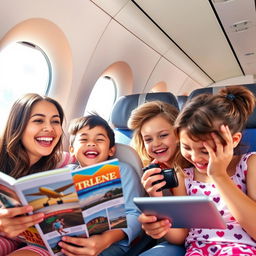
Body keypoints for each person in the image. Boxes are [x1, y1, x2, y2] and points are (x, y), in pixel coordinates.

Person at [138, 86, 256, 255]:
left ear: (234, 140)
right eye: (186, 147)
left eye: (204, 150)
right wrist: (158, 214)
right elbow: (181, 235)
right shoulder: (184, 175)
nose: (195, 158)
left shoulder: (250, 164)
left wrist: (219, 176)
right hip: (198, 250)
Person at [57, 114, 144, 256]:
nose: (91, 143)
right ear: (72, 149)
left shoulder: (123, 170)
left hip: (110, 244)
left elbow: (134, 214)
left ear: (111, 150)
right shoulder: (65, 172)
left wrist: (105, 240)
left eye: (99, 139)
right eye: (84, 139)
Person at [0, 93, 75, 256]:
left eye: (55, 121)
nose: (49, 128)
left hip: (39, 243)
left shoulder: (63, 161)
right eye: (38, 120)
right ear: (18, 126)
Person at [127, 100, 186, 255]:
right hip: (170, 237)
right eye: (148, 139)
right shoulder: (149, 172)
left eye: (163, 135)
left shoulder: (195, 164)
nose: (156, 144)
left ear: (178, 134)